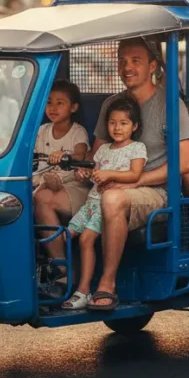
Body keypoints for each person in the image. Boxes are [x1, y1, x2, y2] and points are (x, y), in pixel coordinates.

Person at [41, 37, 189, 312]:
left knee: (112, 198)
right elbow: (96, 156)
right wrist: (79, 168)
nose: (127, 67)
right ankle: (62, 275)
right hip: (104, 186)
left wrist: (135, 180)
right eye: (122, 60)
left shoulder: (171, 104)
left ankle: (107, 284)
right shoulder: (113, 103)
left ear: (153, 65)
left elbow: (183, 163)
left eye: (135, 61)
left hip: (153, 189)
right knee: (41, 198)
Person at [61, 97, 147, 310]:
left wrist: (109, 174)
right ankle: (62, 279)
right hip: (90, 203)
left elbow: (135, 174)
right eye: (112, 122)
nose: (117, 127)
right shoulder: (103, 149)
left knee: (86, 240)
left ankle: (82, 290)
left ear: (134, 126)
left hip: (105, 206)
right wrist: (83, 174)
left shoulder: (137, 148)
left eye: (124, 123)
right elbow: (93, 176)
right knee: (64, 235)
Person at [32, 80, 90, 221]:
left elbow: (80, 156)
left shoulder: (78, 132)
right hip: (41, 181)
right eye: (49, 102)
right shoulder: (42, 130)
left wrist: (65, 156)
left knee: (39, 198)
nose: (53, 108)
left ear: (73, 108)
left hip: (71, 184)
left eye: (60, 103)